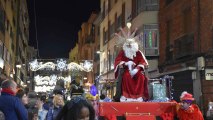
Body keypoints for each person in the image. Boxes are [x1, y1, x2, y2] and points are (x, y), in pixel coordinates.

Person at [114, 26, 149, 102]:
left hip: (137, 70)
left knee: (141, 77)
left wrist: (137, 69)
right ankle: (127, 96)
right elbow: (118, 61)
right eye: (128, 44)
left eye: (131, 44)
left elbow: (143, 61)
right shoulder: (122, 53)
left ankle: (138, 96)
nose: (129, 46)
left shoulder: (138, 53)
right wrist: (126, 63)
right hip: (126, 70)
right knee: (127, 76)